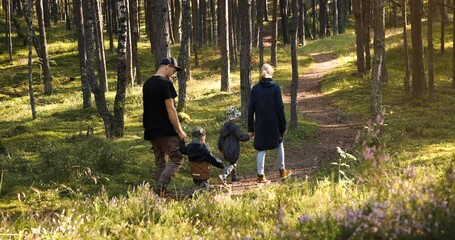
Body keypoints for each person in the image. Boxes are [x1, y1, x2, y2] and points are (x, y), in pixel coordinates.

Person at [143, 57, 187, 197]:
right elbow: (171, 109)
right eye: (173, 70)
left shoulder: (147, 83)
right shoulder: (165, 84)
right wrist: (180, 131)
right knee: (177, 158)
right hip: (165, 129)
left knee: (160, 162)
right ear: (167, 66)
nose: (173, 74)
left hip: (151, 130)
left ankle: (161, 194)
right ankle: (159, 190)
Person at [247, 63, 292, 183]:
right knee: (279, 144)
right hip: (274, 124)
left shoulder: (255, 89)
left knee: (261, 149)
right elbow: (280, 108)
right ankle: (282, 171)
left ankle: (260, 176)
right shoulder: (275, 88)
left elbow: (250, 110)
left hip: (260, 124)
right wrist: (284, 126)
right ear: (271, 73)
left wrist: (251, 128)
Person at [217, 106, 250, 185]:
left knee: (233, 162)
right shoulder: (235, 127)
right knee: (233, 164)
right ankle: (223, 175)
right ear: (234, 117)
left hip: (225, 148)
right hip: (233, 149)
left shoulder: (224, 127)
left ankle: (234, 179)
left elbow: (220, 138)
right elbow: (241, 137)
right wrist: (249, 136)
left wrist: (220, 147)